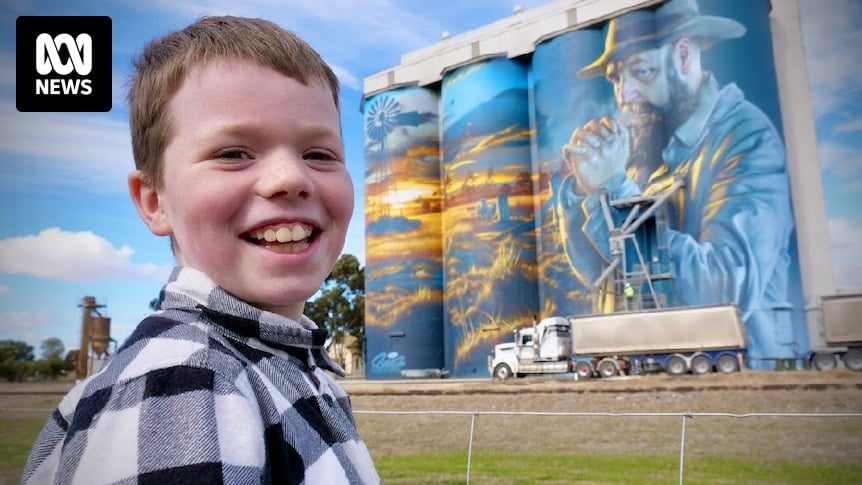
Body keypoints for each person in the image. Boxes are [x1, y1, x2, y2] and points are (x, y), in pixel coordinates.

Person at [21, 16, 380, 485]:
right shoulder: (186, 381)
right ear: (154, 201)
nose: (291, 178)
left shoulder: (274, 368)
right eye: (233, 153)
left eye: (320, 154)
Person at [556, 0, 797, 361]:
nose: (626, 94)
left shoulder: (746, 139)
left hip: (732, 372)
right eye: (616, 78)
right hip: (650, 360)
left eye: (642, 71)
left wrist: (616, 190)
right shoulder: (648, 146)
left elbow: (720, 288)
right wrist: (584, 191)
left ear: (683, 55)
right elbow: (600, 272)